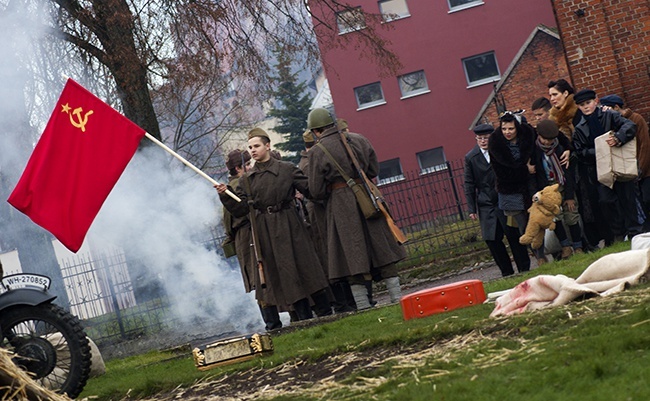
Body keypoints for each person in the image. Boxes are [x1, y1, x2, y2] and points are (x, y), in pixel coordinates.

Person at [216, 128, 332, 321]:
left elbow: (311, 190)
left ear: (268, 145)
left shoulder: (286, 169)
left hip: (291, 226)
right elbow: (241, 208)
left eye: (257, 146)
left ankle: (326, 313)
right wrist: (225, 194)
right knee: (279, 275)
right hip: (265, 232)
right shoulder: (247, 179)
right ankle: (299, 319)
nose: (253, 150)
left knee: (305, 269)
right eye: (250, 147)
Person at [307, 108, 406, 309]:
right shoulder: (358, 139)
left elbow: (316, 190)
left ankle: (363, 306)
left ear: (316, 131)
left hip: (340, 204)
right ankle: (398, 299)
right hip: (367, 198)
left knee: (351, 256)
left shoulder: (318, 151)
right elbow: (373, 170)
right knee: (383, 249)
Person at [221, 149, 283, 330]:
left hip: (255, 233)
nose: (250, 167)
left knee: (267, 277)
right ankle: (272, 324)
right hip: (247, 236)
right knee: (259, 280)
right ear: (238, 168)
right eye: (247, 164)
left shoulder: (246, 182)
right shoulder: (236, 187)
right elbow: (229, 220)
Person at [572, 89, 642, 242]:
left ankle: (635, 233)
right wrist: (600, 150)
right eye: (582, 105)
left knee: (628, 198)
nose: (586, 107)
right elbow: (580, 151)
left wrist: (618, 138)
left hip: (620, 163)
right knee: (606, 201)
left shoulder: (609, 115)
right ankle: (619, 233)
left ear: (596, 101)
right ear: (578, 107)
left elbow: (629, 126)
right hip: (599, 169)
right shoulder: (579, 128)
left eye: (588, 103)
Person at [299, 129, 356, 313]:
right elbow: (315, 191)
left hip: (324, 211)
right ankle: (341, 303)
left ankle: (347, 301)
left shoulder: (310, 160)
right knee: (330, 258)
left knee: (336, 256)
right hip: (319, 214)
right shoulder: (308, 164)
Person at [464, 123, 530, 276]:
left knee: (514, 235)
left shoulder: (501, 151)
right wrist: (471, 208)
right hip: (486, 204)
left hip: (505, 198)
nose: (483, 141)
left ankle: (524, 268)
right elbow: (469, 183)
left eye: (486, 138)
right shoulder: (471, 157)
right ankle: (506, 272)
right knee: (492, 240)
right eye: (479, 138)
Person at [488, 111, 543, 266]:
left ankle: (546, 252)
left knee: (539, 220)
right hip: (510, 190)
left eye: (511, 129)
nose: (507, 132)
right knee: (523, 227)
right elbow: (502, 172)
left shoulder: (527, 135)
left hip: (531, 186)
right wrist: (525, 169)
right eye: (504, 129)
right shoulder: (496, 144)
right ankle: (538, 256)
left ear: (516, 128)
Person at [531, 119, 583, 258]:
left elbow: (569, 172)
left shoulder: (561, 148)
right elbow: (535, 175)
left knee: (571, 215)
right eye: (544, 139)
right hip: (547, 188)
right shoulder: (534, 151)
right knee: (556, 217)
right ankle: (565, 246)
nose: (547, 142)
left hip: (564, 184)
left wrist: (570, 196)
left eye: (550, 139)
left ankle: (578, 246)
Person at [599, 94, 650, 220]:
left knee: (647, 199)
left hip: (642, 169)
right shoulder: (611, 122)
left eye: (607, 108)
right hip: (627, 171)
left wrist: (640, 169)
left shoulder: (636, 119)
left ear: (616, 107)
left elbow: (644, 145)